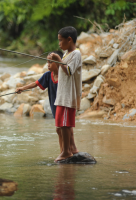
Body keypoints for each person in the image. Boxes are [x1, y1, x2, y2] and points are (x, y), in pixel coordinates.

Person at [16, 50, 65, 153]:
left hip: (64, 106)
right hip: (55, 107)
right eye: (47, 62)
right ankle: (63, 151)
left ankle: (66, 151)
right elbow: (36, 84)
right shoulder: (48, 75)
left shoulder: (64, 76)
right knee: (59, 130)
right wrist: (22, 88)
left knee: (63, 129)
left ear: (59, 62)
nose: (48, 65)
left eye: (51, 62)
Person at [50, 26, 81, 162]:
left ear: (69, 39)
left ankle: (67, 152)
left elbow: (69, 71)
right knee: (61, 124)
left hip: (68, 96)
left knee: (65, 124)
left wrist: (58, 59)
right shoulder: (67, 54)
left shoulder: (76, 54)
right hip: (62, 95)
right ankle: (71, 148)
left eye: (61, 40)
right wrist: (58, 60)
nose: (59, 44)